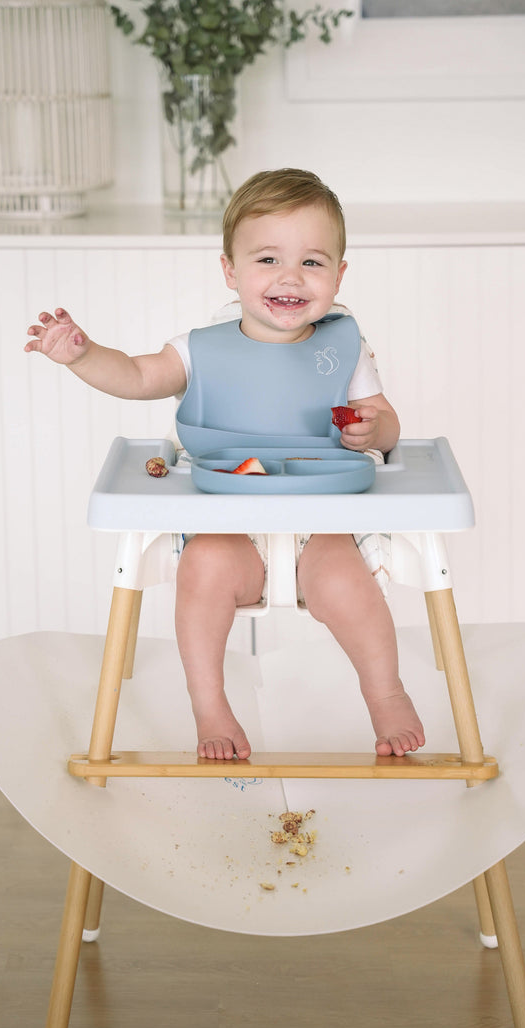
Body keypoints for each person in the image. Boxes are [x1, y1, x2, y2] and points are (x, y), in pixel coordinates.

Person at [24, 168, 425, 762]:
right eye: (267, 259)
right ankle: (209, 703)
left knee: (344, 580)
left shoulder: (344, 347)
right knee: (205, 567)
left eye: (313, 263)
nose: (290, 276)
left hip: (323, 521)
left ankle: (384, 691)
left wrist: (374, 426)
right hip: (226, 518)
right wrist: (82, 356)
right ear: (230, 270)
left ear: (339, 275)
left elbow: (386, 423)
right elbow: (136, 376)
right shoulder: (200, 349)